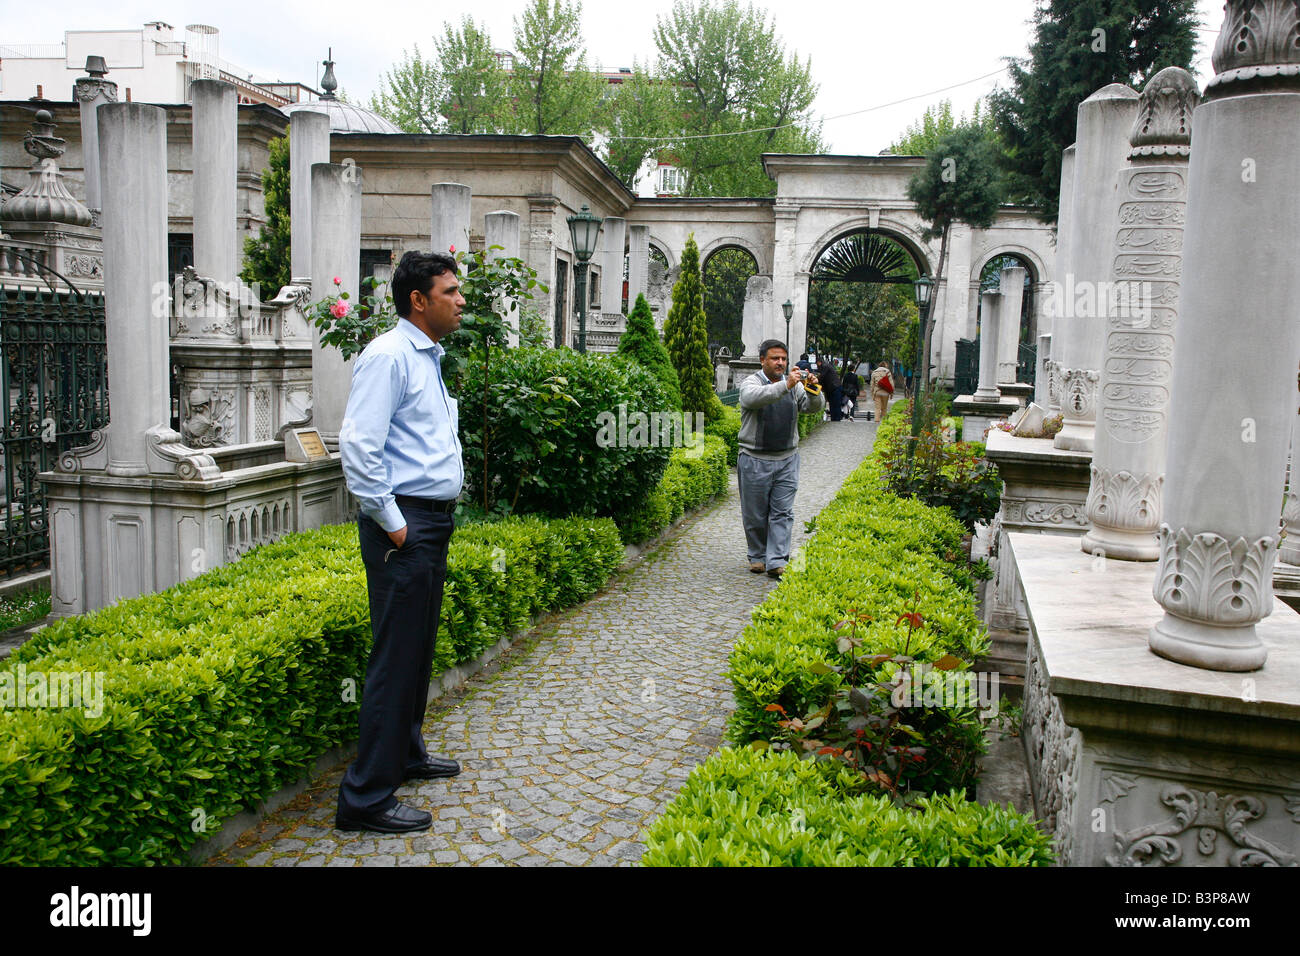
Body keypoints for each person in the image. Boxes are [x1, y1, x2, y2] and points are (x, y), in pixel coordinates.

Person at [335, 251, 466, 835]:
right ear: (419, 299)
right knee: (394, 658)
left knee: (417, 649)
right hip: (405, 526)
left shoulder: (426, 357)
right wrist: (395, 524)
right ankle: (364, 799)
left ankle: (406, 754)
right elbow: (359, 446)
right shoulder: (388, 356)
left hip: (430, 521)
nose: (461, 300)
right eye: (451, 291)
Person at [737, 339, 826, 579]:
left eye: (784, 359)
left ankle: (776, 560)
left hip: (787, 458)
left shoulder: (794, 385)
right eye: (775, 358)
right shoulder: (751, 382)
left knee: (782, 512)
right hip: (755, 458)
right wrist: (786, 384)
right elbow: (753, 399)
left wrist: (813, 390)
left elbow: (813, 407)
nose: (780, 363)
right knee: (755, 513)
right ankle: (757, 555)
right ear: (762, 360)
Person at [817, 356, 842, 422]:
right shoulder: (826, 366)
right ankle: (835, 419)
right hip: (833, 388)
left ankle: (836, 419)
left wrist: (816, 380)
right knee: (834, 404)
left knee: (835, 404)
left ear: (819, 362)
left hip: (834, 387)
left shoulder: (825, 366)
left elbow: (822, 377)